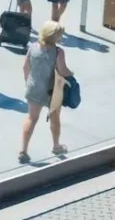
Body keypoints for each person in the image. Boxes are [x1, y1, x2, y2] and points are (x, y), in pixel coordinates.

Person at [19, 21, 74, 163]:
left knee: (31, 118)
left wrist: (28, 83)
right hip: (52, 90)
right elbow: (62, 70)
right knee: (55, 118)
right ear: (54, 37)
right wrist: (71, 74)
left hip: (34, 88)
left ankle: (23, 150)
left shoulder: (33, 47)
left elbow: (25, 67)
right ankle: (56, 146)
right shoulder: (58, 52)